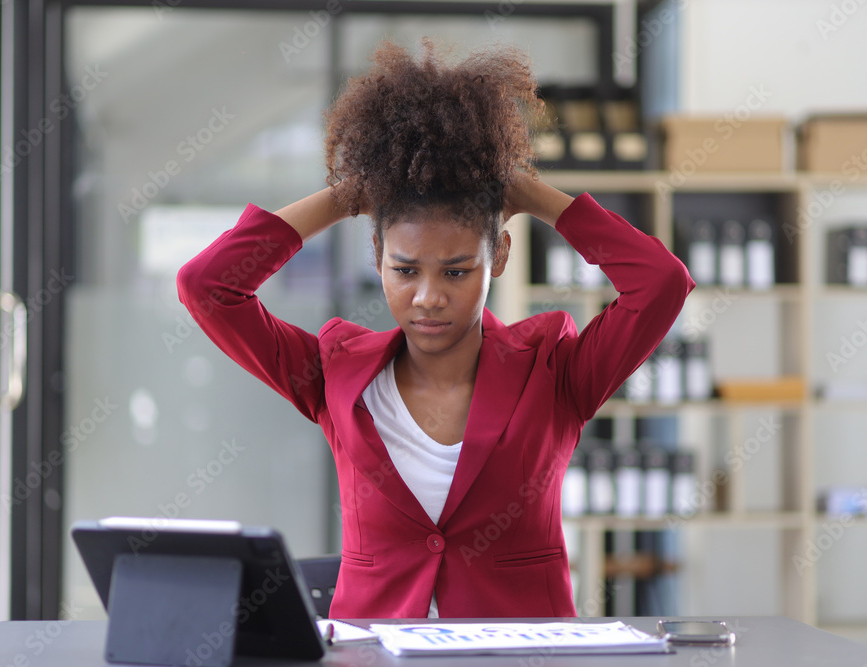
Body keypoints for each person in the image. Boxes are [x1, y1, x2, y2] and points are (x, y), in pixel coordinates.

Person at [177, 39, 694, 619]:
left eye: (457, 270)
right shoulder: (334, 373)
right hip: (371, 656)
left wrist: (529, 194)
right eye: (404, 270)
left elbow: (660, 283)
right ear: (376, 256)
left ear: (498, 255)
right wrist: (347, 196)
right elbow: (209, 286)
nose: (428, 297)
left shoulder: (555, 370)